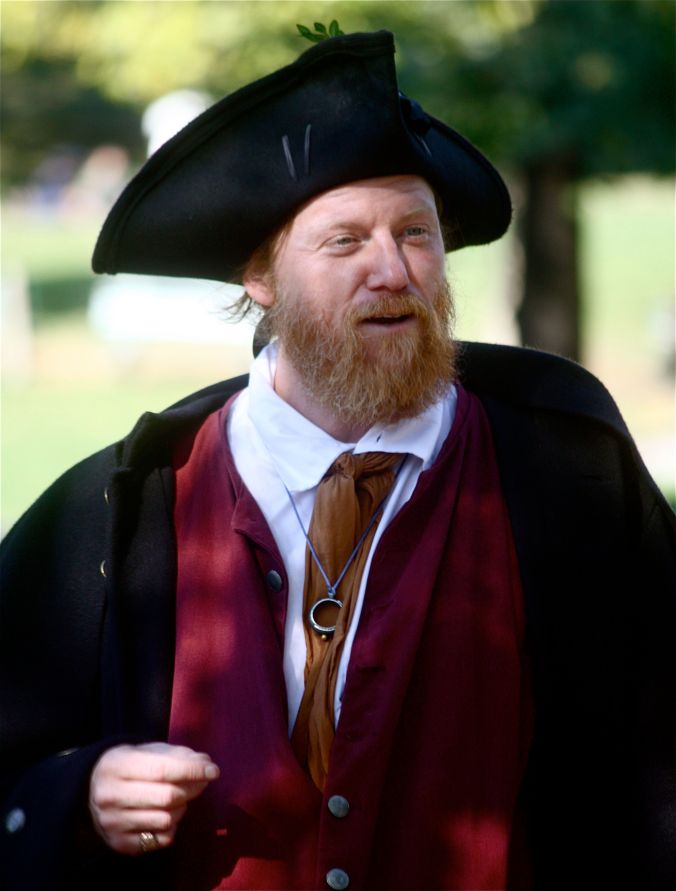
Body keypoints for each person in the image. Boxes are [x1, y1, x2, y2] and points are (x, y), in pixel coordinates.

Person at [1, 29, 674, 891]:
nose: (393, 270)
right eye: (345, 241)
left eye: (417, 233)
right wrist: (79, 795)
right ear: (260, 277)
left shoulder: (565, 474)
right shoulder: (119, 511)